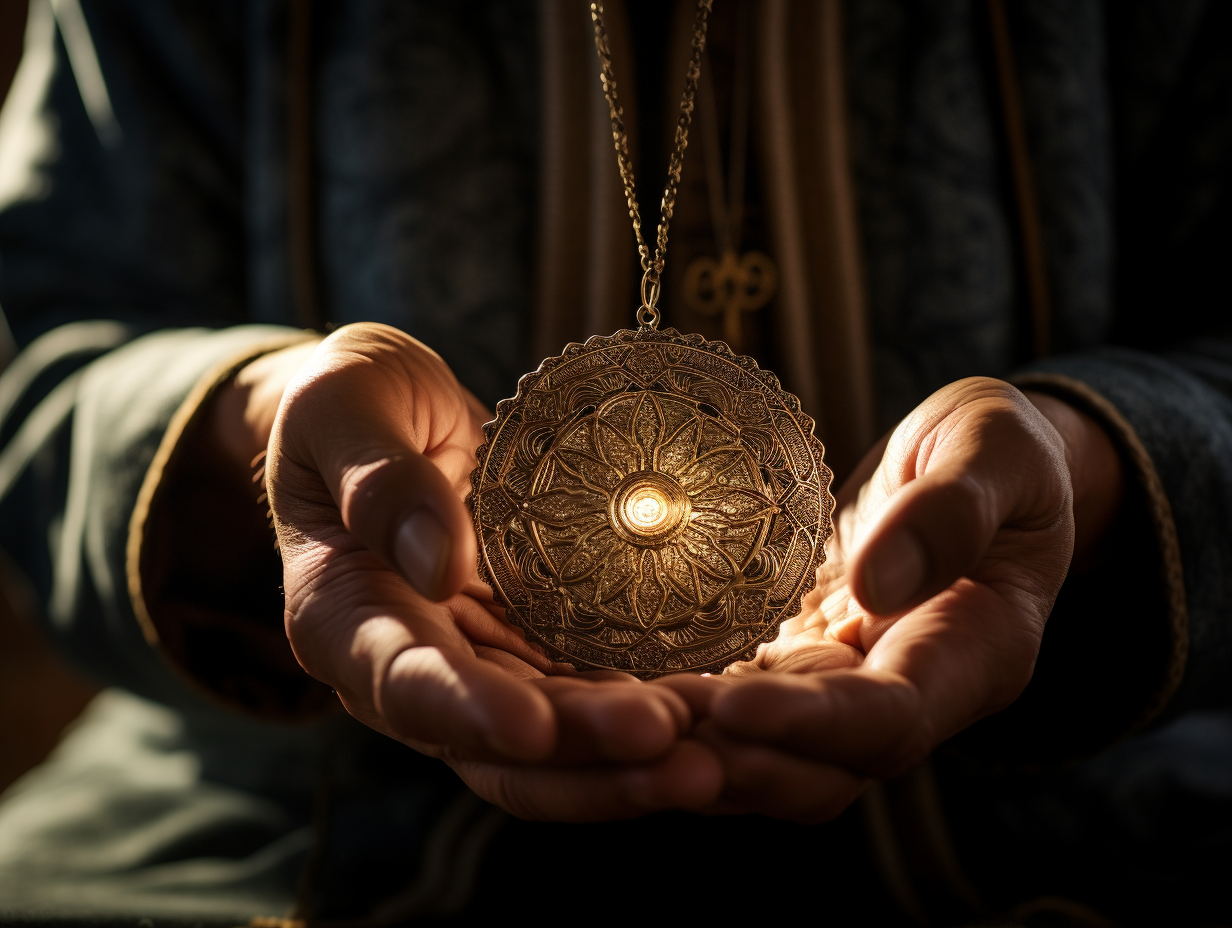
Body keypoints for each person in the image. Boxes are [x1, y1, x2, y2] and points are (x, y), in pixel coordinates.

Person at [0, 0, 1227, 924]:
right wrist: (264, 429)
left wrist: (1089, 472)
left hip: (1076, 821)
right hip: (284, 828)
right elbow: (35, 363)